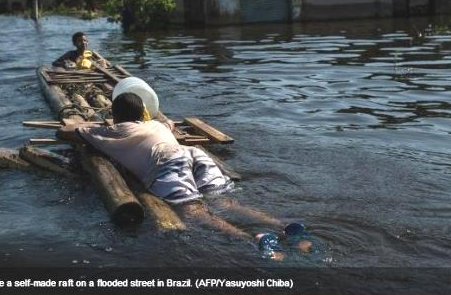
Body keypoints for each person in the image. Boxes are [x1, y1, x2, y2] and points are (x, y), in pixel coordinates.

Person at [57, 93, 311, 258]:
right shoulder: (155, 124)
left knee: (194, 212)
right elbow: (169, 124)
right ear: (143, 113)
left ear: (118, 115)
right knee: (226, 203)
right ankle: (284, 227)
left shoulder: (115, 131)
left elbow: (67, 132)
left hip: (169, 163)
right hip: (192, 154)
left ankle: (254, 239)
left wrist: (97, 126)